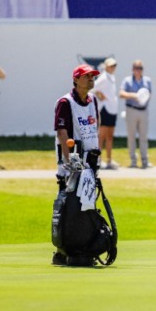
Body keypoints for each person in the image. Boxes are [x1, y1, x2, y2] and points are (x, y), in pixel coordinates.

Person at [53, 63, 102, 266]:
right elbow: (62, 133)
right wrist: (70, 162)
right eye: (86, 76)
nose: (91, 79)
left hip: (90, 164)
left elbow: (94, 127)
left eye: (92, 76)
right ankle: (63, 251)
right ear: (76, 80)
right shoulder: (65, 102)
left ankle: (83, 247)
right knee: (69, 206)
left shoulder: (93, 101)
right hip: (72, 165)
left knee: (88, 206)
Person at [120, 59, 152, 168]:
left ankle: (145, 161)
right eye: (136, 68)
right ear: (133, 69)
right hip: (131, 110)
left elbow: (149, 94)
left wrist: (143, 98)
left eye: (140, 68)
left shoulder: (147, 80)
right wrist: (135, 96)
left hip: (143, 110)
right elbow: (121, 94)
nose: (138, 70)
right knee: (131, 137)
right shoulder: (127, 81)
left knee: (143, 137)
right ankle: (133, 161)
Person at [91, 57, 120, 169]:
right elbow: (92, 88)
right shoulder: (103, 78)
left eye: (114, 66)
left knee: (110, 136)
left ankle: (109, 161)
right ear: (106, 66)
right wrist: (99, 94)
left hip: (112, 110)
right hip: (105, 110)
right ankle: (98, 160)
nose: (113, 68)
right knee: (101, 136)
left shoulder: (112, 78)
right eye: (111, 65)